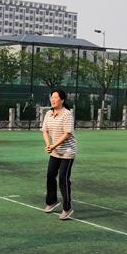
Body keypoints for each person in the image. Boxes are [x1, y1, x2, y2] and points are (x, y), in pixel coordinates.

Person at [41, 88, 77, 220]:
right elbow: (45, 131)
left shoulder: (67, 114)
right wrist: (48, 145)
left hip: (67, 152)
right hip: (55, 152)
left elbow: (67, 134)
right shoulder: (48, 114)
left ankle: (67, 208)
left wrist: (53, 146)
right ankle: (52, 202)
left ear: (62, 100)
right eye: (52, 97)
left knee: (63, 178)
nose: (53, 99)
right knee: (50, 175)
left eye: (56, 97)